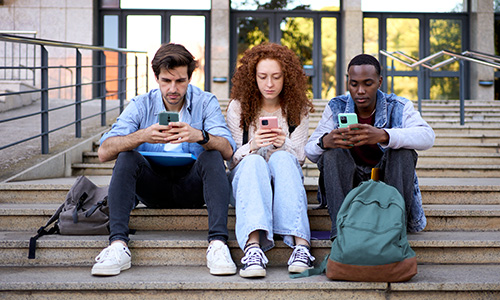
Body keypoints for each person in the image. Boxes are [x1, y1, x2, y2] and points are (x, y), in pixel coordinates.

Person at [91, 43, 237, 276]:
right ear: (156, 78)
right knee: (127, 156)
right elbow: (104, 151)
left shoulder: (205, 101)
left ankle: (218, 244)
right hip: (153, 188)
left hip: (193, 189)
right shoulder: (142, 104)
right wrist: (142, 136)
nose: (173, 89)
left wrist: (199, 136)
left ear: (190, 78)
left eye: (180, 81)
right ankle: (118, 245)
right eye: (166, 81)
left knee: (212, 155)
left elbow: (229, 150)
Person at [305, 54, 435, 241]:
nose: (360, 91)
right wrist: (325, 142)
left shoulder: (398, 106)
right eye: (354, 84)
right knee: (330, 154)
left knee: (404, 152)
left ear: (379, 82)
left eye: (368, 83)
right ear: (347, 82)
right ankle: (341, 234)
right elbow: (309, 151)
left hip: (386, 181)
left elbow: (428, 137)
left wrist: (384, 135)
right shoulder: (336, 106)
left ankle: (394, 232)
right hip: (349, 183)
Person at [227, 43, 315, 278]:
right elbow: (231, 160)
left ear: (287, 77)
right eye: (262, 77)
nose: (269, 84)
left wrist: (282, 144)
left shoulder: (297, 109)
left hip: (285, 180)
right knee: (254, 161)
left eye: (276, 77)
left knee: (284, 158)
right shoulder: (238, 108)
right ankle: (253, 248)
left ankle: (301, 246)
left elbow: (300, 158)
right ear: (252, 77)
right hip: (248, 182)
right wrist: (252, 146)